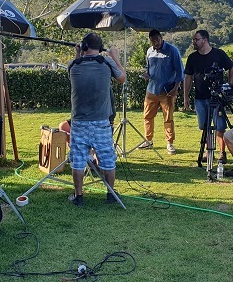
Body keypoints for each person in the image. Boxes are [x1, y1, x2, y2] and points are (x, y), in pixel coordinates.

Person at [66, 33, 126, 206]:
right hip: (101, 121)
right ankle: (110, 194)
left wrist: (78, 54)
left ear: (84, 47)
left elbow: (74, 69)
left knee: (78, 159)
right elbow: (122, 78)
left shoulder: (73, 65)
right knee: (107, 157)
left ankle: (78, 196)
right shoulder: (107, 63)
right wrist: (115, 57)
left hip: (79, 122)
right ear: (100, 49)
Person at [183, 30, 233, 162]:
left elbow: (232, 67)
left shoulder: (219, 54)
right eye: (193, 40)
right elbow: (188, 77)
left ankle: (222, 153)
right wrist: (185, 96)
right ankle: (208, 152)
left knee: (220, 126)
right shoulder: (192, 57)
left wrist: (230, 85)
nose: (194, 42)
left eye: (196, 39)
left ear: (205, 40)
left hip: (217, 97)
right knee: (204, 127)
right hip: (200, 97)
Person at [137, 29, 184, 155]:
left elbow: (180, 72)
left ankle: (170, 143)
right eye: (152, 41)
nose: (155, 43)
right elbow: (149, 68)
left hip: (167, 91)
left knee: (168, 118)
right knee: (147, 116)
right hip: (151, 90)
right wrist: (147, 74)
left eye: (157, 40)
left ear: (161, 37)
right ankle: (148, 140)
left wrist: (175, 89)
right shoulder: (149, 51)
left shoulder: (172, 50)